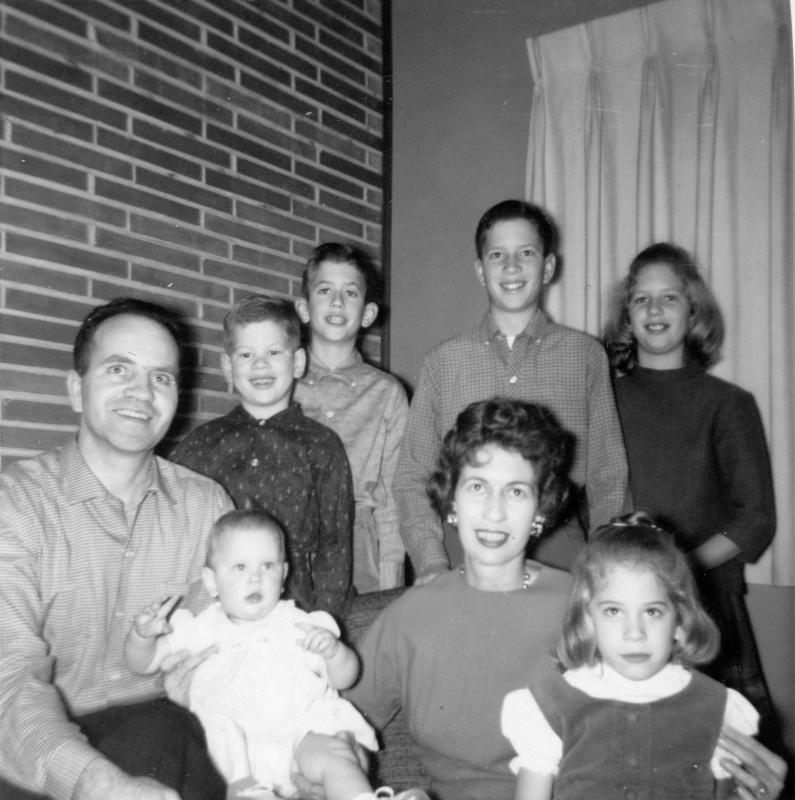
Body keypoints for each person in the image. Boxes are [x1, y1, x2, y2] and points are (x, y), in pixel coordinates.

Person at [0, 298, 234, 800]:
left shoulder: (207, 505)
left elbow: (228, 642)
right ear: (76, 389)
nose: (142, 392)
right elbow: (7, 675)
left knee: (167, 734)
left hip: (164, 736)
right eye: (118, 369)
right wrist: (95, 780)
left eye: (161, 377)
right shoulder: (15, 503)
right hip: (31, 748)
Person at [602, 243, 780, 749]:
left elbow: (755, 518)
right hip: (621, 603)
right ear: (626, 315)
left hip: (705, 602)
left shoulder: (729, 404)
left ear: (693, 311)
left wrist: (678, 569)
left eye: (670, 298)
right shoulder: (604, 398)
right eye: (641, 299)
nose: (655, 310)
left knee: (719, 754)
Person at [394, 199, 629, 580]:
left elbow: (608, 473)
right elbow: (412, 476)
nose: (512, 266)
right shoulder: (443, 361)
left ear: (548, 266)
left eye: (526, 253)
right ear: (480, 270)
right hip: (463, 552)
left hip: (559, 553)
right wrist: (431, 560)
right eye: (497, 255)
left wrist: (606, 563)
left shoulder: (585, 356)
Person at [125, 508, 428, 800]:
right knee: (217, 744)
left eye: (267, 566)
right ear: (211, 581)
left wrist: (334, 653)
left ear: (283, 575)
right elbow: (144, 662)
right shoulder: (199, 628)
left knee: (337, 755)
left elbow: (346, 678)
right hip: (236, 755)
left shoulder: (300, 625)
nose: (255, 578)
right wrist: (142, 637)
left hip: (301, 734)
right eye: (240, 567)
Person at [501, 513, 759, 800]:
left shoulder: (717, 707)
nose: (634, 633)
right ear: (588, 620)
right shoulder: (551, 704)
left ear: (680, 622)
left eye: (652, 612)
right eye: (613, 611)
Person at [171, 295, 354, 618]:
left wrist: (323, 623)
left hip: (293, 616)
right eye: (246, 354)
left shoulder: (322, 446)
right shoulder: (199, 446)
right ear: (228, 367)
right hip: (212, 619)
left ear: (298, 363)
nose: (260, 364)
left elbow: (335, 547)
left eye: (273, 352)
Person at [295, 243, 409, 594]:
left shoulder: (388, 393)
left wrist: (391, 586)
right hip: (288, 545)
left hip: (359, 552)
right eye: (324, 290)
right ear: (303, 308)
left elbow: (392, 498)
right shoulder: (281, 384)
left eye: (350, 293)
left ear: (368, 313)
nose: (337, 302)